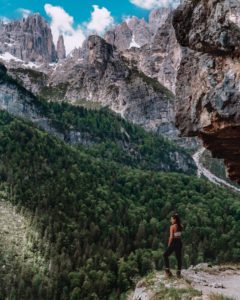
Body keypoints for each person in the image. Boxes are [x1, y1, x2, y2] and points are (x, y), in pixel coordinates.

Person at [163, 213, 183, 278]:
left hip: (174, 242)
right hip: (179, 242)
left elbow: (171, 237)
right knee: (178, 258)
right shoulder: (181, 226)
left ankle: (168, 271)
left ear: (175, 219)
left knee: (165, 255)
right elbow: (179, 235)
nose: (170, 220)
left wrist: (169, 244)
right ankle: (178, 273)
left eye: (171, 219)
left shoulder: (172, 226)